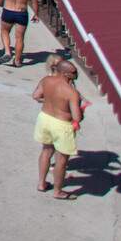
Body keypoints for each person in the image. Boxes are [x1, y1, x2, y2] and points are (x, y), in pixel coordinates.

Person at [33, 59, 86, 199]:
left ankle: (41, 183)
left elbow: (36, 96)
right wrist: (81, 109)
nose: (76, 74)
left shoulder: (46, 80)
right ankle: (58, 191)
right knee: (62, 160)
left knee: (46, 151)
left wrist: (51, 100)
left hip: (44, 118)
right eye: (73, 72)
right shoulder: (72, 92)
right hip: (62, 125)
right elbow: (77, 117)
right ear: (65, 74)